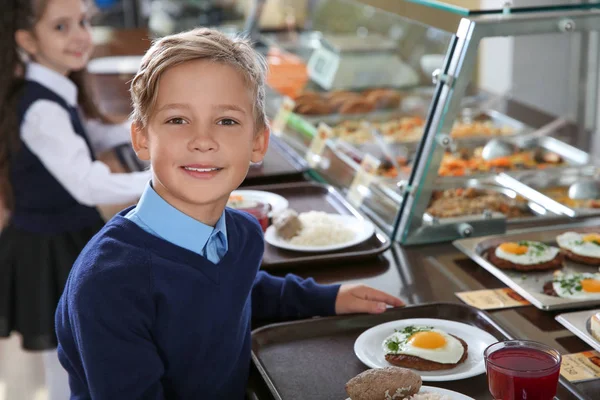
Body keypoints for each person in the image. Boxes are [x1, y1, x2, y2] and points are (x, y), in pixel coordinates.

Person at [55, 27, 404, 399]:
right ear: (141, 138)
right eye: (177, 119)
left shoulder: (240, 234)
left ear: (258, 142)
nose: (203, 140)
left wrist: (327, 298)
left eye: (226, 121)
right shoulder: (109, 285)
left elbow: (234, 290)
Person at [0, 0, 151, 398]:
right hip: (47, 248)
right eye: (61, 27)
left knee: (72, 348)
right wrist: (162, 178)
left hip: (60, 237)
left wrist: (154, 130)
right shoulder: (41, 107)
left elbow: (92, 138)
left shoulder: (53, 87)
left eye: (83, 22)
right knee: (62, 358)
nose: (81, 35)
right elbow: (88, 184)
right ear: (27, 40)